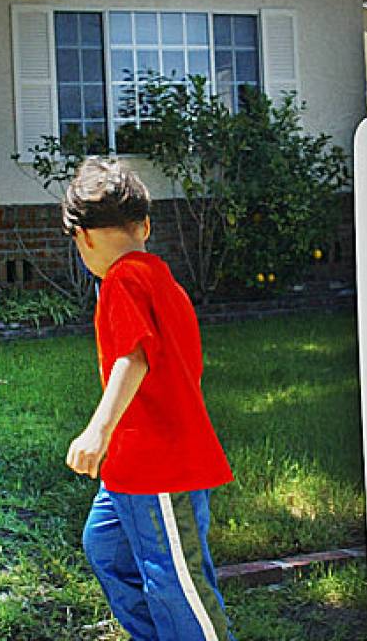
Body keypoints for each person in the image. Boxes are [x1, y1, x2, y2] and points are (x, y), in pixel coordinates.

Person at [61, 158, 236, 641]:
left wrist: (97, 429)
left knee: (174, 579)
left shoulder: (121, 281)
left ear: (83, 237)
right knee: (107, 548)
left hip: (160, 467)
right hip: (131, 469)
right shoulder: (161, 277)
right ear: (145, 225)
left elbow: (132, 358)